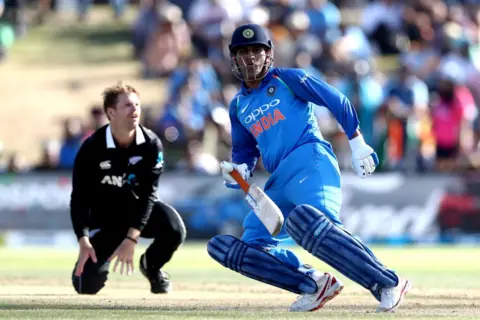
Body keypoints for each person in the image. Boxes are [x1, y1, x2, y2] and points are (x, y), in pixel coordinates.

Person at [207, 23, 411, 313]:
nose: (250, 57)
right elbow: (244, 150)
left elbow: (334, 99)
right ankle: (313, 283)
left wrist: (356, 141)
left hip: (310, 160)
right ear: (234, 58)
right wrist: (238, 168)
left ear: (268, 55)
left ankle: (388, 282)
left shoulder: (289, 79)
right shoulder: (238, 105)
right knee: (240, 249)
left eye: (256, 50)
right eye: (243, 52)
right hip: (278, 179)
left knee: (313, 223)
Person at [70, 84, 186, 295]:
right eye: (127, 106)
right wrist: (83, 239)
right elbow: (79, 197)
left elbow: (149, 195)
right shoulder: (92, 148)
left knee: (174, 229)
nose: (135, 110)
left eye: (137, 105)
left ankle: (152, 267)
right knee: (84, 285)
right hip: (106, 222)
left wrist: (132, 238)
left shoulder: (151, 144)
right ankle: (97, 261)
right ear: (111, 113)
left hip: (138, 213)